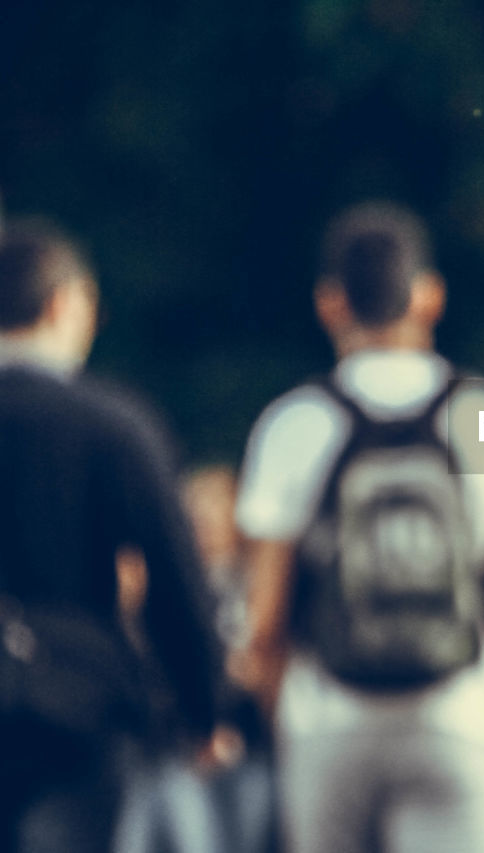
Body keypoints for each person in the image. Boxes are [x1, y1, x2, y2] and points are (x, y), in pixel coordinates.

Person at [234, 201, 484, 853]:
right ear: (429, 296)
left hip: (327, 719)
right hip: (464, 718)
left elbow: (264, 619)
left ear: (330, 304)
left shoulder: (293, 424)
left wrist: (284, 719)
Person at [0, 220, 221, 852]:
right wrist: (201, 708)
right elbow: (176, 576)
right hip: (76, 708)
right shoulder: (113, 426)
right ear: (63, 303)